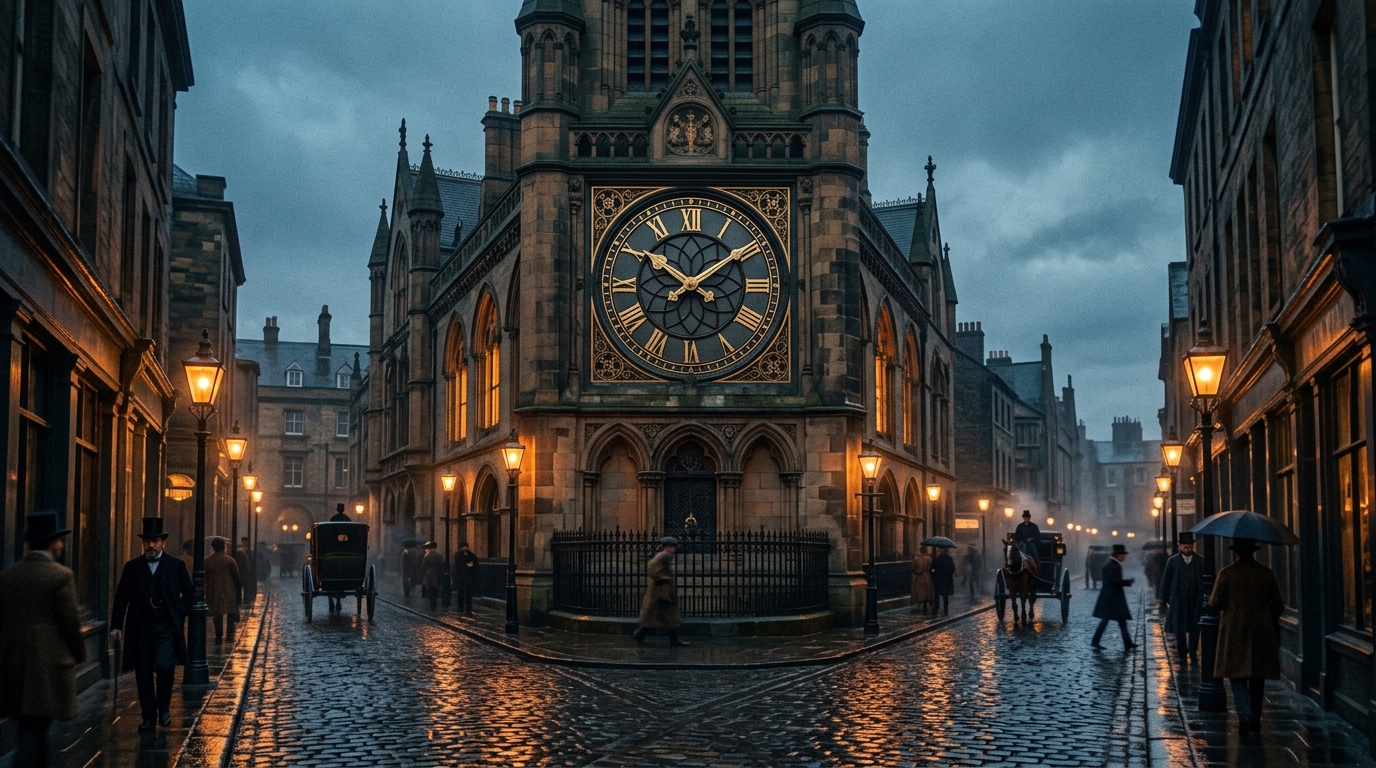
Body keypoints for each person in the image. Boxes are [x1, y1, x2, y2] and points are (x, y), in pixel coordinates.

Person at [0, 512, 84, 767]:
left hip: (13, 659)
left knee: (31, 724)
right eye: (59, 539)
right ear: (51, 542)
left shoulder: (9, 575)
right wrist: (78, 653)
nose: (62, 544)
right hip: (46, 664)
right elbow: (69, 621)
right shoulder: (59, 575)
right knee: (35, 727)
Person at [110, 517, 194, 731]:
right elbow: (121, 598)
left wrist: (180, 612)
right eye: (147, 541)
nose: (151, 545)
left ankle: (163, 708)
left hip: (166, 626)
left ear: (163, 543)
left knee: (166, 667)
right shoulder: (132, 567)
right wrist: (116, 625)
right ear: (143, 543)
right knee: (143, 671)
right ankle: (148, 716)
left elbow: (190, 594)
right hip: (141, 627)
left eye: (155, 541)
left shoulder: (176, 566)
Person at [1209, 538, 1284, 737]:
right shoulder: (1265, 573)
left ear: (1236, 553)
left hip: (1234, 629)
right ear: (1253, 552)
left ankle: (1245, 714)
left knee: (1236, 674)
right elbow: (1279, 604)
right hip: (1261, 630)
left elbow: (1215, 602)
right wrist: (1268, 619)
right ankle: (1255, 721)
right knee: (1257, 677)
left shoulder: (1226, 573)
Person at [1157, 532, 1207, 664]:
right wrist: (1162, 597)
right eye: (1185, 545)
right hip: (1178, 600)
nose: (1187, 547)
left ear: (1193, 546)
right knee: (1180, 628)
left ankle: (1193, 652)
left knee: (1195, 628)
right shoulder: (1172, 561)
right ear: (1180, 546)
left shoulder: (1200, 561)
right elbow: (1165, 580)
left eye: (1189, 545)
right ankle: (1182, 655)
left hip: (1195, 600)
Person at [633, 537, 685, 647]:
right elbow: (651, 566)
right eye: (672, 547)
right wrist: (662, 578)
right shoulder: (664, 555)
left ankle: (641, 634)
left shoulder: (665, 556)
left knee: (657, 616)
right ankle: (640, 634)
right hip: (661, 593)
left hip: (661, 592)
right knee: (669, 616)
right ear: (668, 547)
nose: (673, 550)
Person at [1091, 544, 1137, 650]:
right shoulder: (1113, 565)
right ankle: (1095, 641)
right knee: (1108, 621)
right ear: (1118, 555)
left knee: (1120, 621)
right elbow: (1113, 581)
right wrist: (1127, 582)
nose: (1124, 557)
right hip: (1111, 599)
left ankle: (1127, 643)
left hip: (1112, 597)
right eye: (1123, 555)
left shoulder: (1113, 564)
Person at [205, 537, 241, 641]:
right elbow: (236, 577)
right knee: (230, 613)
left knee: (217, 614)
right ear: (224, 547)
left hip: (213, 591)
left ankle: (218, 634)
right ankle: (230, 635)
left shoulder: (208, 561)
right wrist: (238, 593)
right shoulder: (230, 560)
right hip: (228, 590)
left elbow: (205, 577)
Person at [453, 542, 479, 615]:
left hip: (469, 577)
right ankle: (460, 608)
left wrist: (472, 565)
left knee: (468, 593)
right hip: (461, 577)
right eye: (464, 547)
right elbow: (458, 564)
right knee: (460, 593)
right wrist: (466, 564)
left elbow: (475, 561)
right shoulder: (458, 554)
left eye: (467, 546)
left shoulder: (471, 554)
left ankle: (468, 609)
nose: (466, 548)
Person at [930, 546, 956, 616]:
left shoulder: (937, 559)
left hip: (938, 579)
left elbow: (932, 569)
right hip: (947, 580)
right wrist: (948, 573)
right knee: (945, 596)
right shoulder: (949, 559)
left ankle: (935, 610)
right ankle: (945, 610)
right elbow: (953, 569)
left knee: (936, 595)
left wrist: (934, 574)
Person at [910, 546, 934, 614]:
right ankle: (925, 604)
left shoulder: (916, 558)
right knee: (927, 590)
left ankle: (921, 602)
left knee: (920, 590)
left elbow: (912, 567)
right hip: (926, 576)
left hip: (918, 577)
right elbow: (932, 568)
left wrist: (917, 571)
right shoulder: (929, 558)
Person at [420, 542, 444, 611]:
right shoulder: (439, 555)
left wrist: (422, 575)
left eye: (426, 549)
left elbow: (423, 566)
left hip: (429, 575)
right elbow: (441, 565)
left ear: (429, 549)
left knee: (430, 590)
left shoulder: (427, 555)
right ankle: (434, 605)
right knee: (435, 589)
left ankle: (432, 606)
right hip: (437, 575)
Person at [234, 536, 254, 606]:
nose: (244, 543)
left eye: (245, 542)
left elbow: (250, 561)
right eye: (243, 542)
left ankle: (245, 599)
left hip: (245, 571)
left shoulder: (248, 551)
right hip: (241, 570)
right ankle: (241, 600)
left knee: (245, 585)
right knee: (240, 586)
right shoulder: (240, 550)